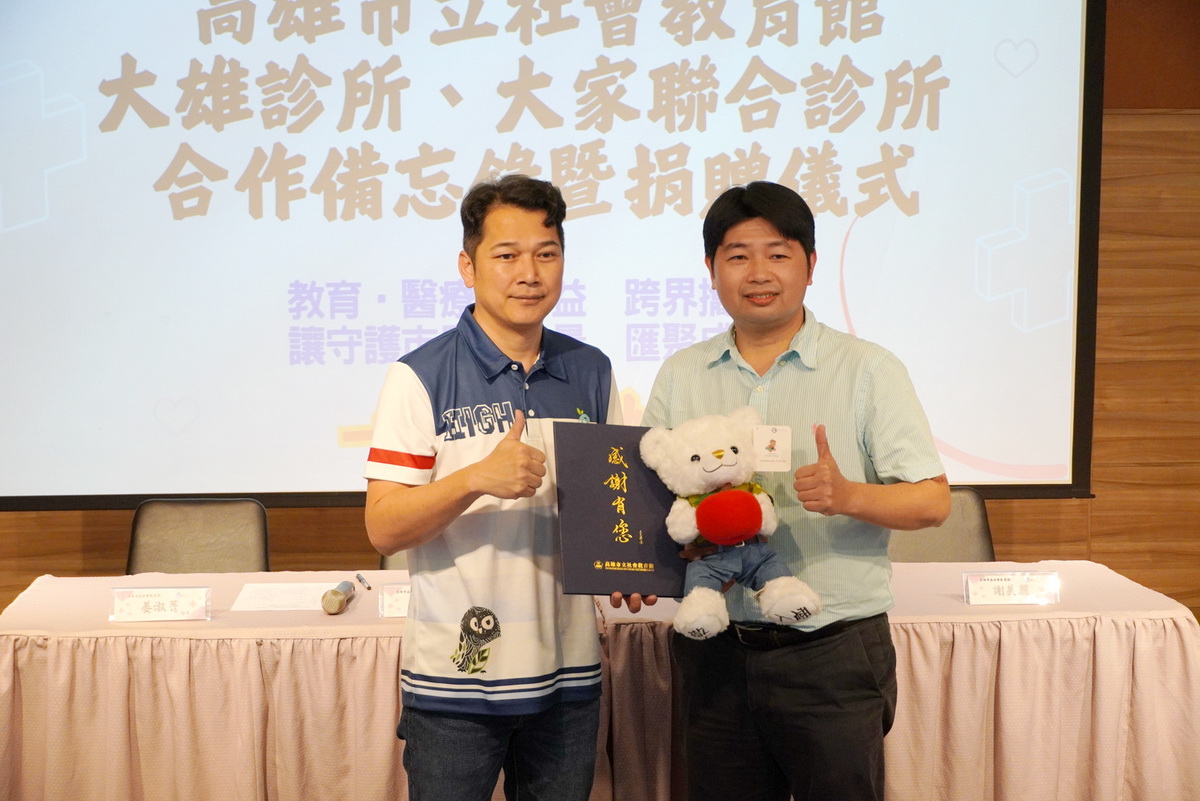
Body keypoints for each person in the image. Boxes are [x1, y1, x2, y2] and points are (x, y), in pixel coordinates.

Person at [641, 181, 950, 801]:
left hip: (832, 655)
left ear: (810, 265)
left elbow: (932, 500)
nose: (759, 273)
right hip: (717, 656)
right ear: (711, 269)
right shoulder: (682, 374)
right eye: (738, 255)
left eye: (778, 254)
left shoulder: (868, 370)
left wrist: (849, 495)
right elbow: (655, 499)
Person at [363, 174, 626, 801]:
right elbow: (383, 526)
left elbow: (610, 504)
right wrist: (475, 479)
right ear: (468, 266)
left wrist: (628, 562)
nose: (529, 273)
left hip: (567, 677)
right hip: (455, 684)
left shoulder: (591, 370)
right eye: (506, 255)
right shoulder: (418, 376)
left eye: (546, 253)